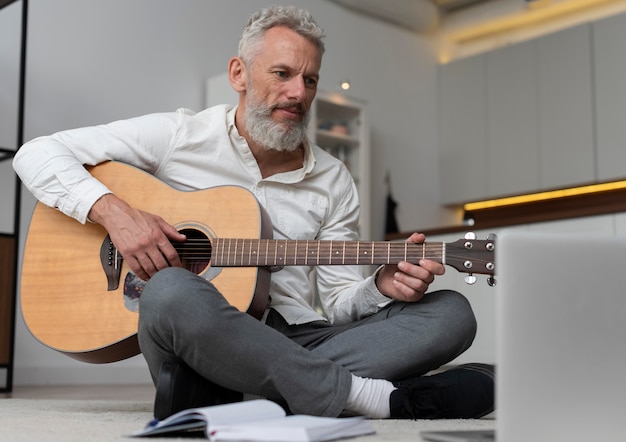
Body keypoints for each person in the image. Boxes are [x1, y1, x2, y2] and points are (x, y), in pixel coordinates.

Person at [13, 5, 494, 420]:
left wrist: (381, 288)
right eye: (282, 74)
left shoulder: (333, 179)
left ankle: (239, 392)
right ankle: (365, 396)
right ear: (239, 74)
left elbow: (340, 300)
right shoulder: (180, 135)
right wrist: (114, 213)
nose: (298, 93)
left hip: (302, 338)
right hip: (202, 332)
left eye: (309, 79)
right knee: (171, 290)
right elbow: (35, 153)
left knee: (452, 314)